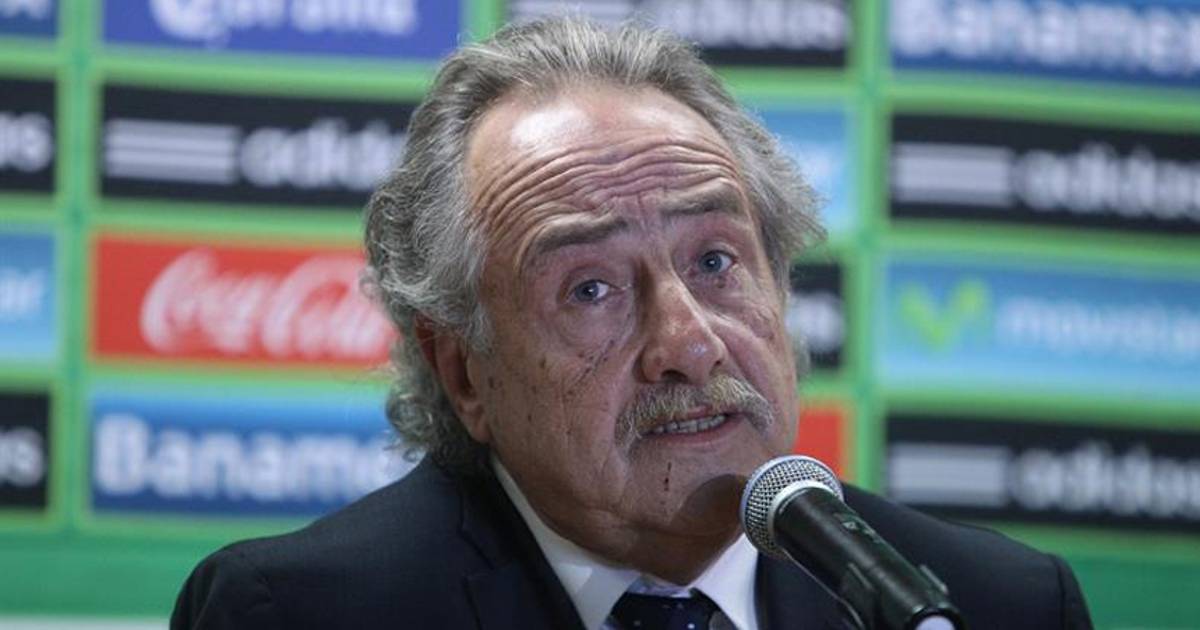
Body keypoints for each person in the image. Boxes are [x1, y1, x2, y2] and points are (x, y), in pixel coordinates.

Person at [171, 17, 1093, 630]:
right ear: (462, 371)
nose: (690, 344)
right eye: (590, 289)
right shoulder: (295, 614)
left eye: (716, 263)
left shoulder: (988, 606)